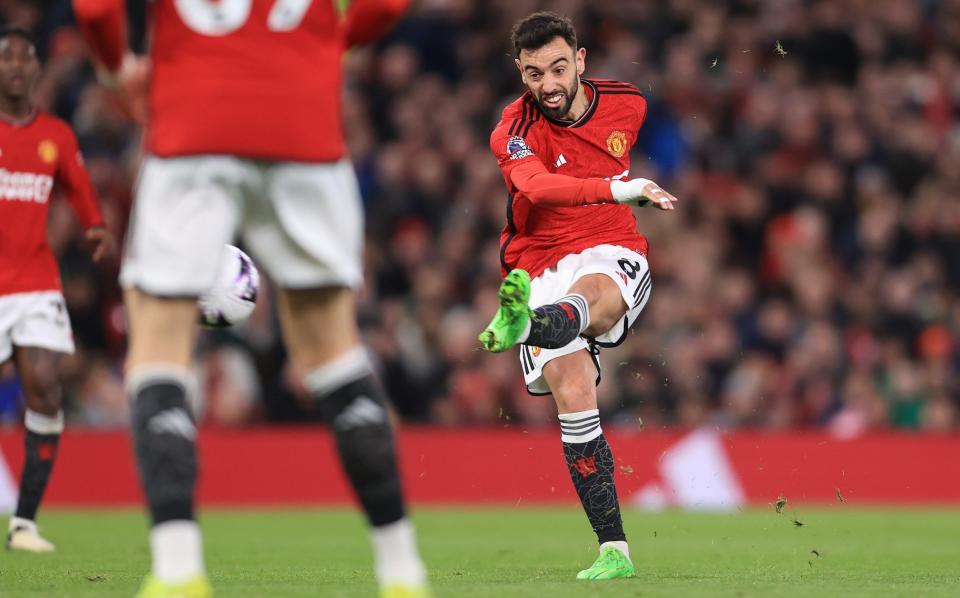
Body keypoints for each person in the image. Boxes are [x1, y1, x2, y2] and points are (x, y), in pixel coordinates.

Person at [71, 1, 427, 597]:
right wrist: (323, 51)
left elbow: (96, 8)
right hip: (303, 127)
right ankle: (402, 573)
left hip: (192, 124)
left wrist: (115, 72)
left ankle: (178, 571)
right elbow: (388, 3)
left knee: (158, 349)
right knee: (334, 354)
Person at [479, 12, 678, 580]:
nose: (548, 84)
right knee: (573, 389)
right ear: (520, 72)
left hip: (609, 243)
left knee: (594, 293)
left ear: (582, 60)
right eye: (534, 72)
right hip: (537, 263)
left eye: (559, 68)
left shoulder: (628, 103)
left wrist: (632, 194)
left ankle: (528, 324)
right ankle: (614, 549)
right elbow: (541, 188)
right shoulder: (510, 130)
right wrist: (620, 186)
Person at [0, 27, 115, 553]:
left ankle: (24, 523)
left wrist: (94, 225)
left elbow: (79, 188)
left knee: (45, 385)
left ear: (38, 69)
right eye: (7, 58)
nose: (17, 66)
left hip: (35, 280)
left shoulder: (57, 136)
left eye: (27, 57)